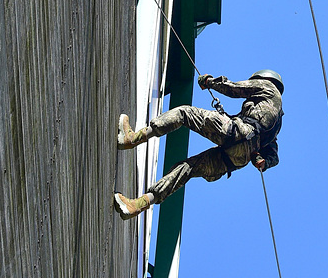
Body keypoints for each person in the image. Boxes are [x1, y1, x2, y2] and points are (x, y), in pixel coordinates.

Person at [113, 70, 284, 219]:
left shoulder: (268, 87)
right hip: (237, 159)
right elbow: (273, 156)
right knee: (187, 168)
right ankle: (138, 204)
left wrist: (211, 82)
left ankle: (133, 138)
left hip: (237, 132)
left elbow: (236, 88)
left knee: (184, 113)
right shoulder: (277, 123)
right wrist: (264, 162)